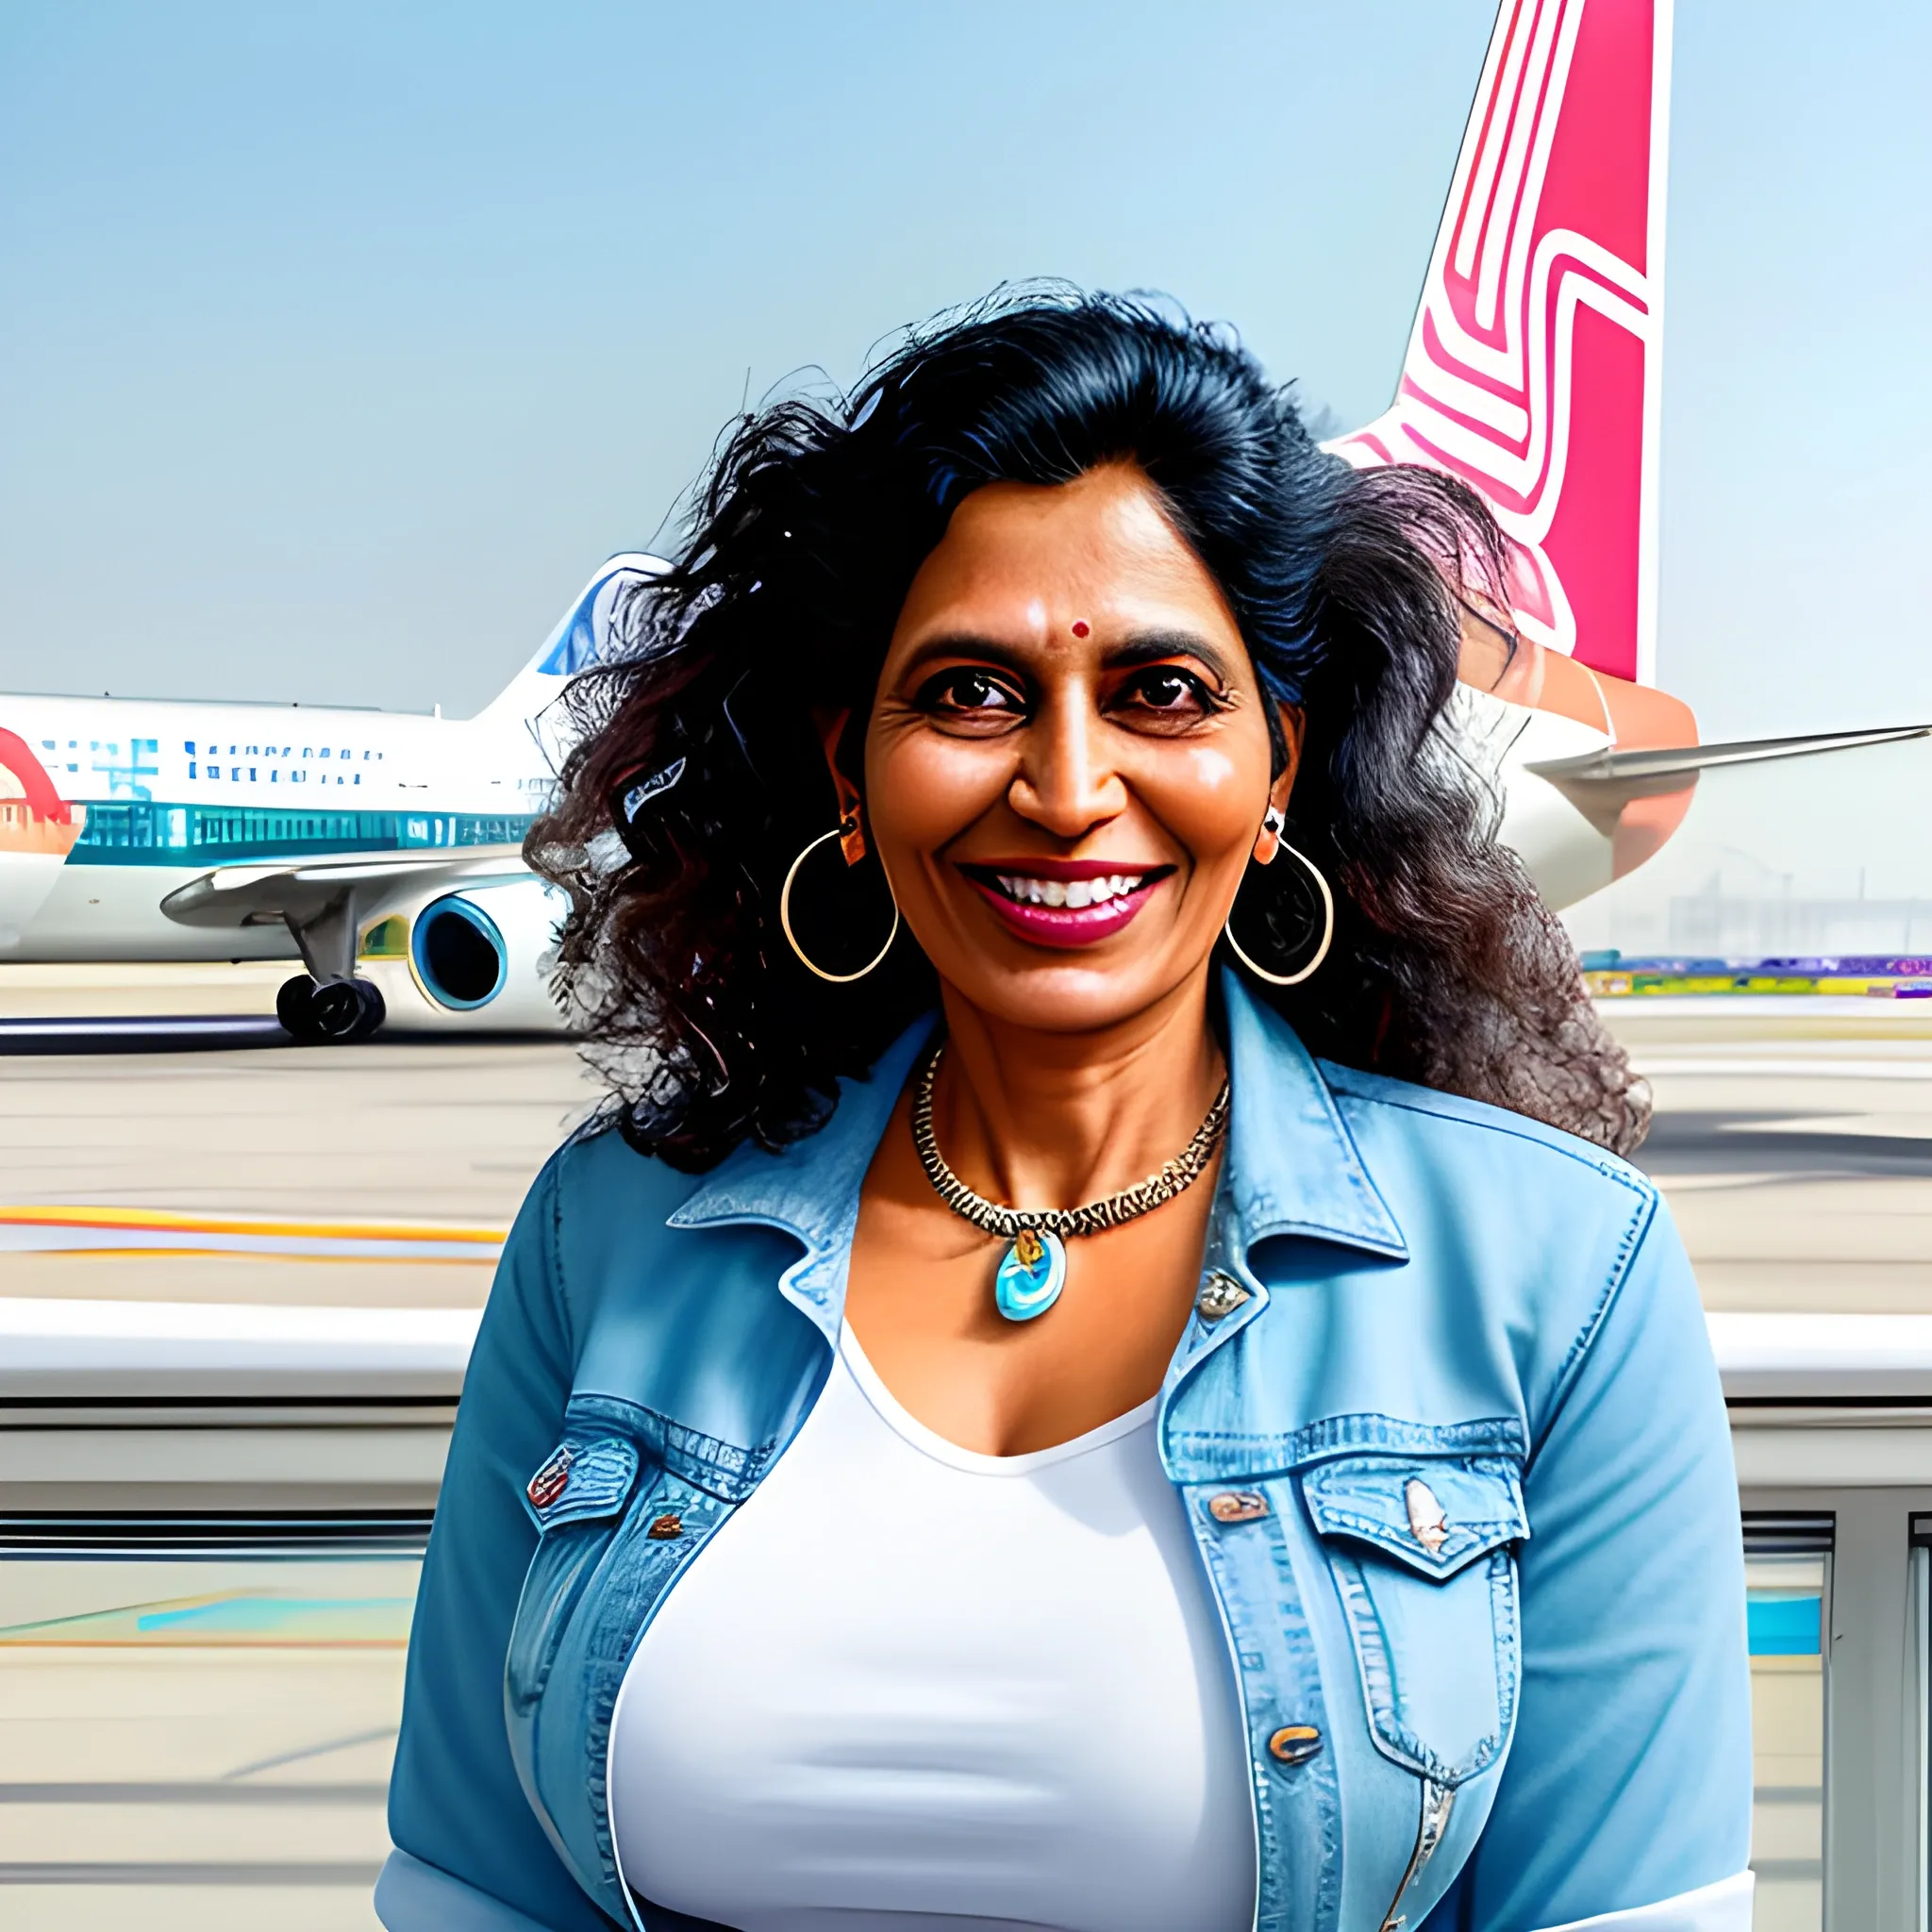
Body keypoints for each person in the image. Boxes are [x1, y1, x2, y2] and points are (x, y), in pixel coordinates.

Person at [375, 291, 1750, 1932]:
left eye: (1165, 691)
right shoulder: (607, 1236)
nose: (1068, 786)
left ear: (1279, 767)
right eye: (969, 693)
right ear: (848, 769)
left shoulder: (1560, 1275)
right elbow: (474, 1888)